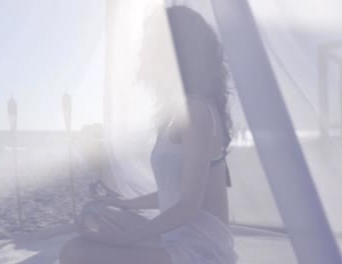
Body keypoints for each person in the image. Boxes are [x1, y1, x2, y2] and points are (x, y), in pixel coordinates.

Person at [59, 5, 237, 264]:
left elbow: (189, 204)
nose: (142, 49)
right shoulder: (175, 112)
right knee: (96, 217)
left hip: (201, 249)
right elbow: (172, 193)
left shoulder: (196, 110)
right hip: (179, 237)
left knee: (74, 253)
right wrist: (126, 205)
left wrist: (127, 238)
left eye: (151, 40)